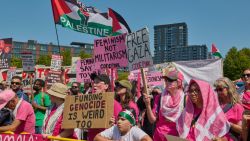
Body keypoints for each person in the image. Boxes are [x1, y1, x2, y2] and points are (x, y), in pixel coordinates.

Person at [143, 68, 184, 141]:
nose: (167, 82)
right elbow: (152, 120)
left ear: (179, 82)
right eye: (166, 80)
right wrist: (148, 105)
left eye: (170, 80)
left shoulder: (185, 99)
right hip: (159, 136)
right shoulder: (159, 98)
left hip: (177, 137)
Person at [87, 73, 122, 141]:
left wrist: (113, 125)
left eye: (97, 82)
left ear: (106, 86)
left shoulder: (114, 104)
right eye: (94, 82)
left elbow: (121, 129)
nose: (94, 85)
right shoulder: (89, 103)